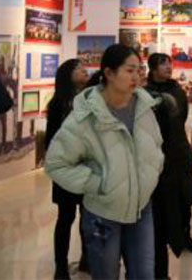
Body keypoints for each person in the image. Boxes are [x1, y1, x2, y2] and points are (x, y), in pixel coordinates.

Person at [44, 44, 164, 280]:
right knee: (106, 274)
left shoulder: (145, 107)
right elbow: (56, 163)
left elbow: (156, 146)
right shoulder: (86, 116)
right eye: (129, 70)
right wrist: (97, 184)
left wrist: (152, 173)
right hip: (103, 213)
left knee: (144, 274)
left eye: (139, 70)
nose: (136, 76)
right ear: (108, 73)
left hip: (141, 208)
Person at [145, 54, 192, 279]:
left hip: (178, 153)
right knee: (161, 209)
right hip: (157, 156)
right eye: (163, 64)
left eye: (170, 63)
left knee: (185, 199)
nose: (169, 67)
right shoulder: (145, 92)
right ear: (152, 68)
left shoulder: (176, 90)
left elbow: (179, 118)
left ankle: (184, 235)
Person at [44, 59, 90, 280]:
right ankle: (60, 266)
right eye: (79, 69)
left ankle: (86, 259)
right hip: (66, 167)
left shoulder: (88, 99)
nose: (85, 71)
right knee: (66, 217)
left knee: (87, 216)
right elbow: (52, 139)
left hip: (87, 166)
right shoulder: (59, 104)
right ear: (68, 75)